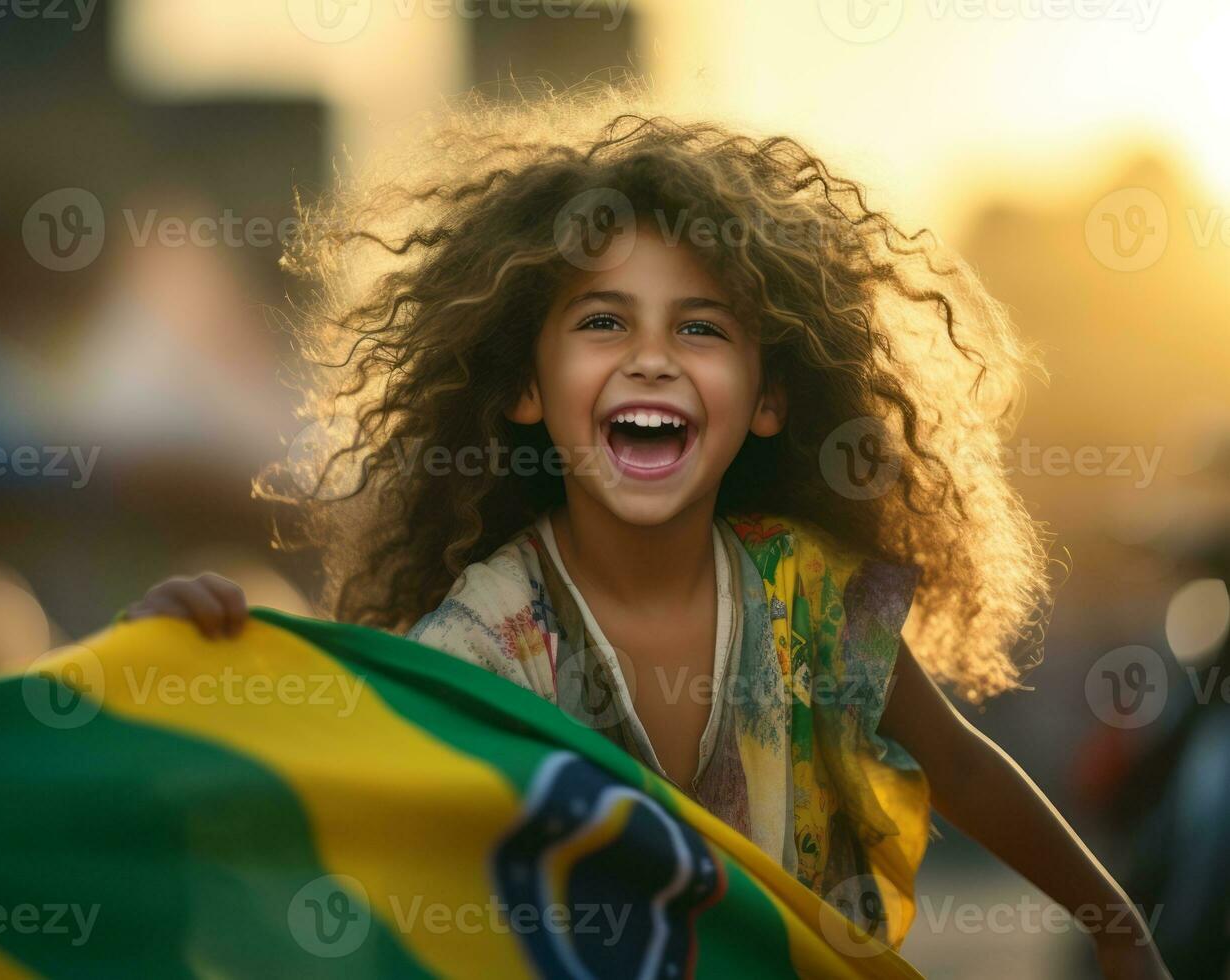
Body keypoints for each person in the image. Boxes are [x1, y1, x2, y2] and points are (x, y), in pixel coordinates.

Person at [123, 78, 1172, 975]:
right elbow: (327, 787)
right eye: (601, 321)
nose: (651, 357)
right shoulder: (482, 641)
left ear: (766, 398)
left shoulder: (814, 597)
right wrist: (182, 672)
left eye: (700, 327)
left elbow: (963, 763)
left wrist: (1117, 927)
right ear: (526, 388)